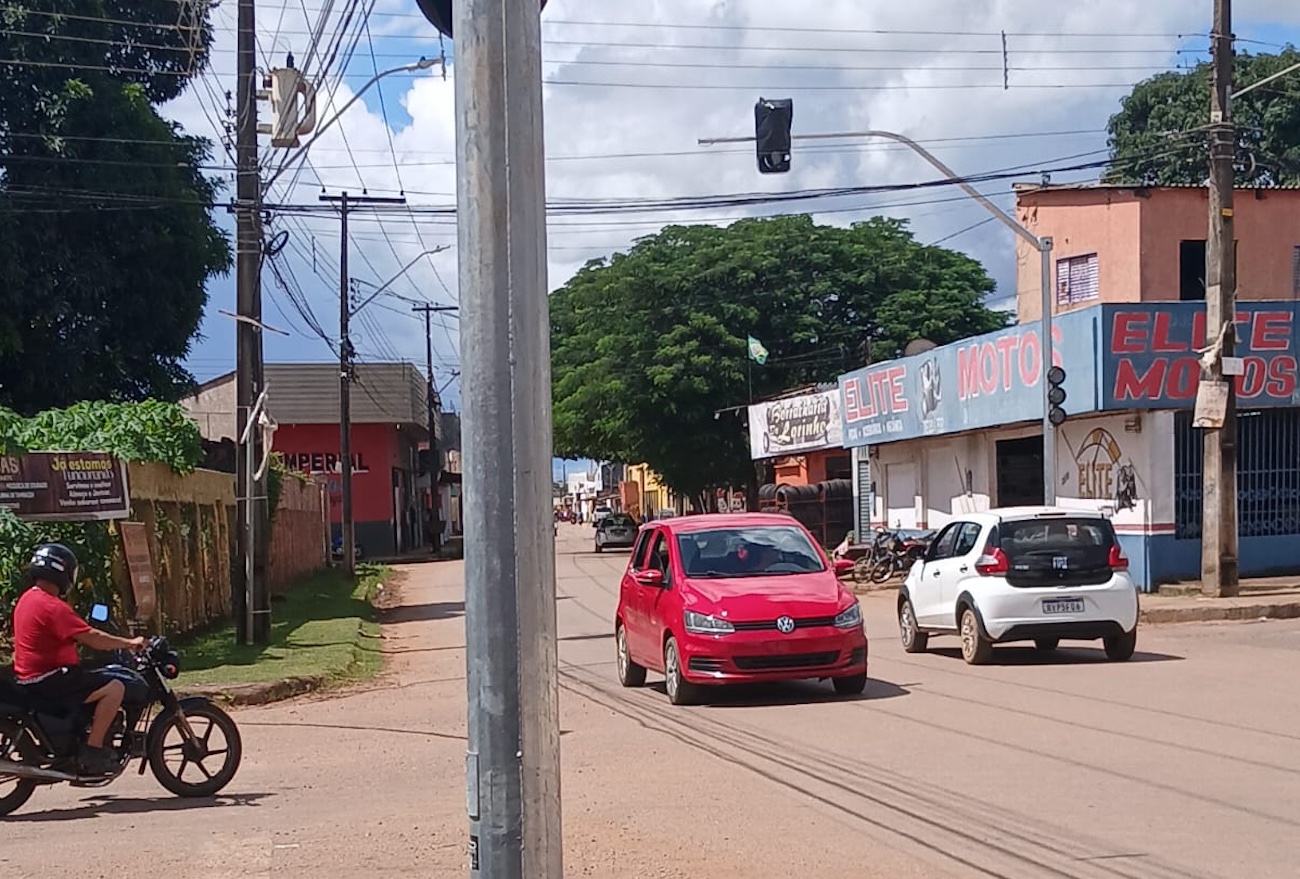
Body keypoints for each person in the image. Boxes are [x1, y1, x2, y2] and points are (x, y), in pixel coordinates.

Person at [11, 543, 145, 776]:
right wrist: (129, 643)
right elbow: (92, 638)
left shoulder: (27, 599)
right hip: (50, 679)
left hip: (32, 677)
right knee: (114, 687)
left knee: (91, 677)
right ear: (62, 572)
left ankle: (85, 735)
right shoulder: (52, 606)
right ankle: (92, 751)